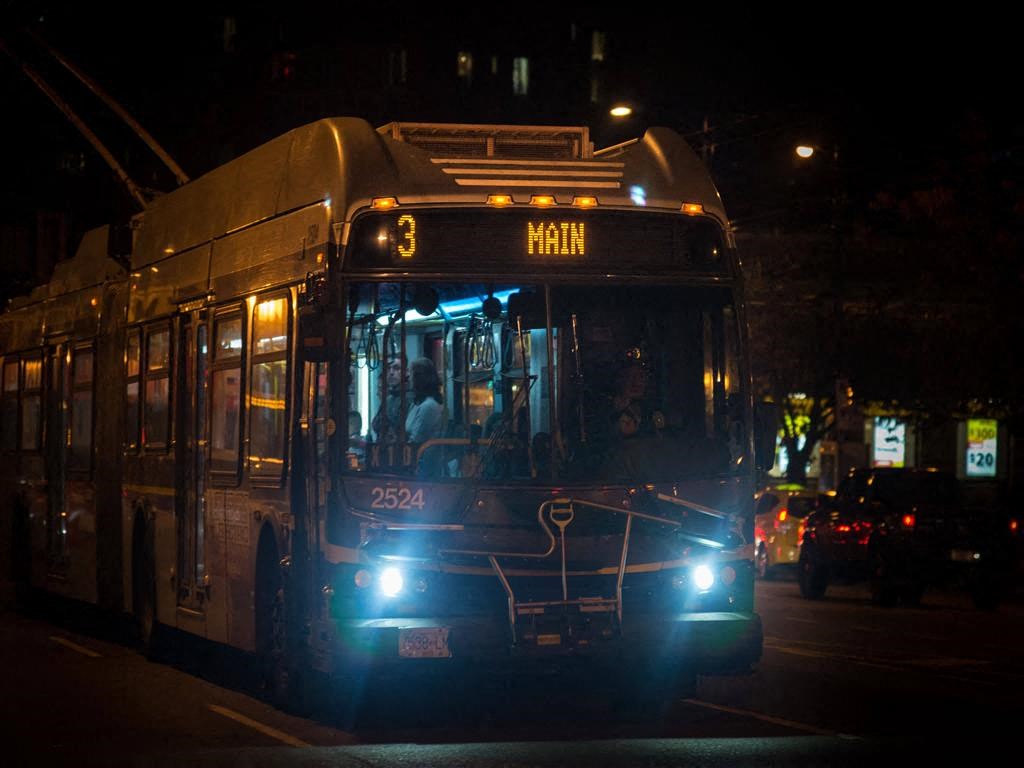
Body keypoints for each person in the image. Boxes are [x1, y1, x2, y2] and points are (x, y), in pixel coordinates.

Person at [405, 357, 444, 445]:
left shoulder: (428, 406)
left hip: (423, 452)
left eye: (411, 374)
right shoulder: (416, 404)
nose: (408, 378)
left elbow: (417, 439)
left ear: (418, 379)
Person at [371, 357, 406, 442]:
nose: (391, 372)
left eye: (396, 368)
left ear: (406, 372)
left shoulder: (409, 398)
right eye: (388, 368)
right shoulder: (389, 399)